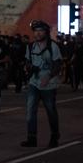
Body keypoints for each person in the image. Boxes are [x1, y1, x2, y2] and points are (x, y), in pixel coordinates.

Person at [22, 20, 63, 148]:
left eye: (40, 31)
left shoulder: (53, 47)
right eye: (36, 31)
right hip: (34, 82)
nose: (38, 33)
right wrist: (27, 67)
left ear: (46, 32)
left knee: (50, 110)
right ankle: (31, 138)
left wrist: (49, 76)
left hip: (49, 84)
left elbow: (58, 65)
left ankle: (54, 136)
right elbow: (28, 61)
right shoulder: (30, 46)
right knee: (30, 111)